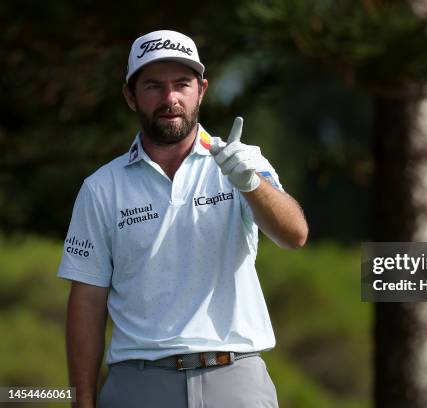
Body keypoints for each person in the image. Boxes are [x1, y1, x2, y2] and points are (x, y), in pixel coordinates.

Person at [57, 29, 308, 408]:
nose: (170, 98)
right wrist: (82, 402)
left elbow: (294, 234)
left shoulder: (243, 162)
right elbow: (87, 303)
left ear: (201, 90)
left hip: (235, 377)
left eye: (182, 85)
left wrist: (250, 184)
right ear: (131, 96)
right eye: (154, 86)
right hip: (138, 384)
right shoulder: (101, 188)